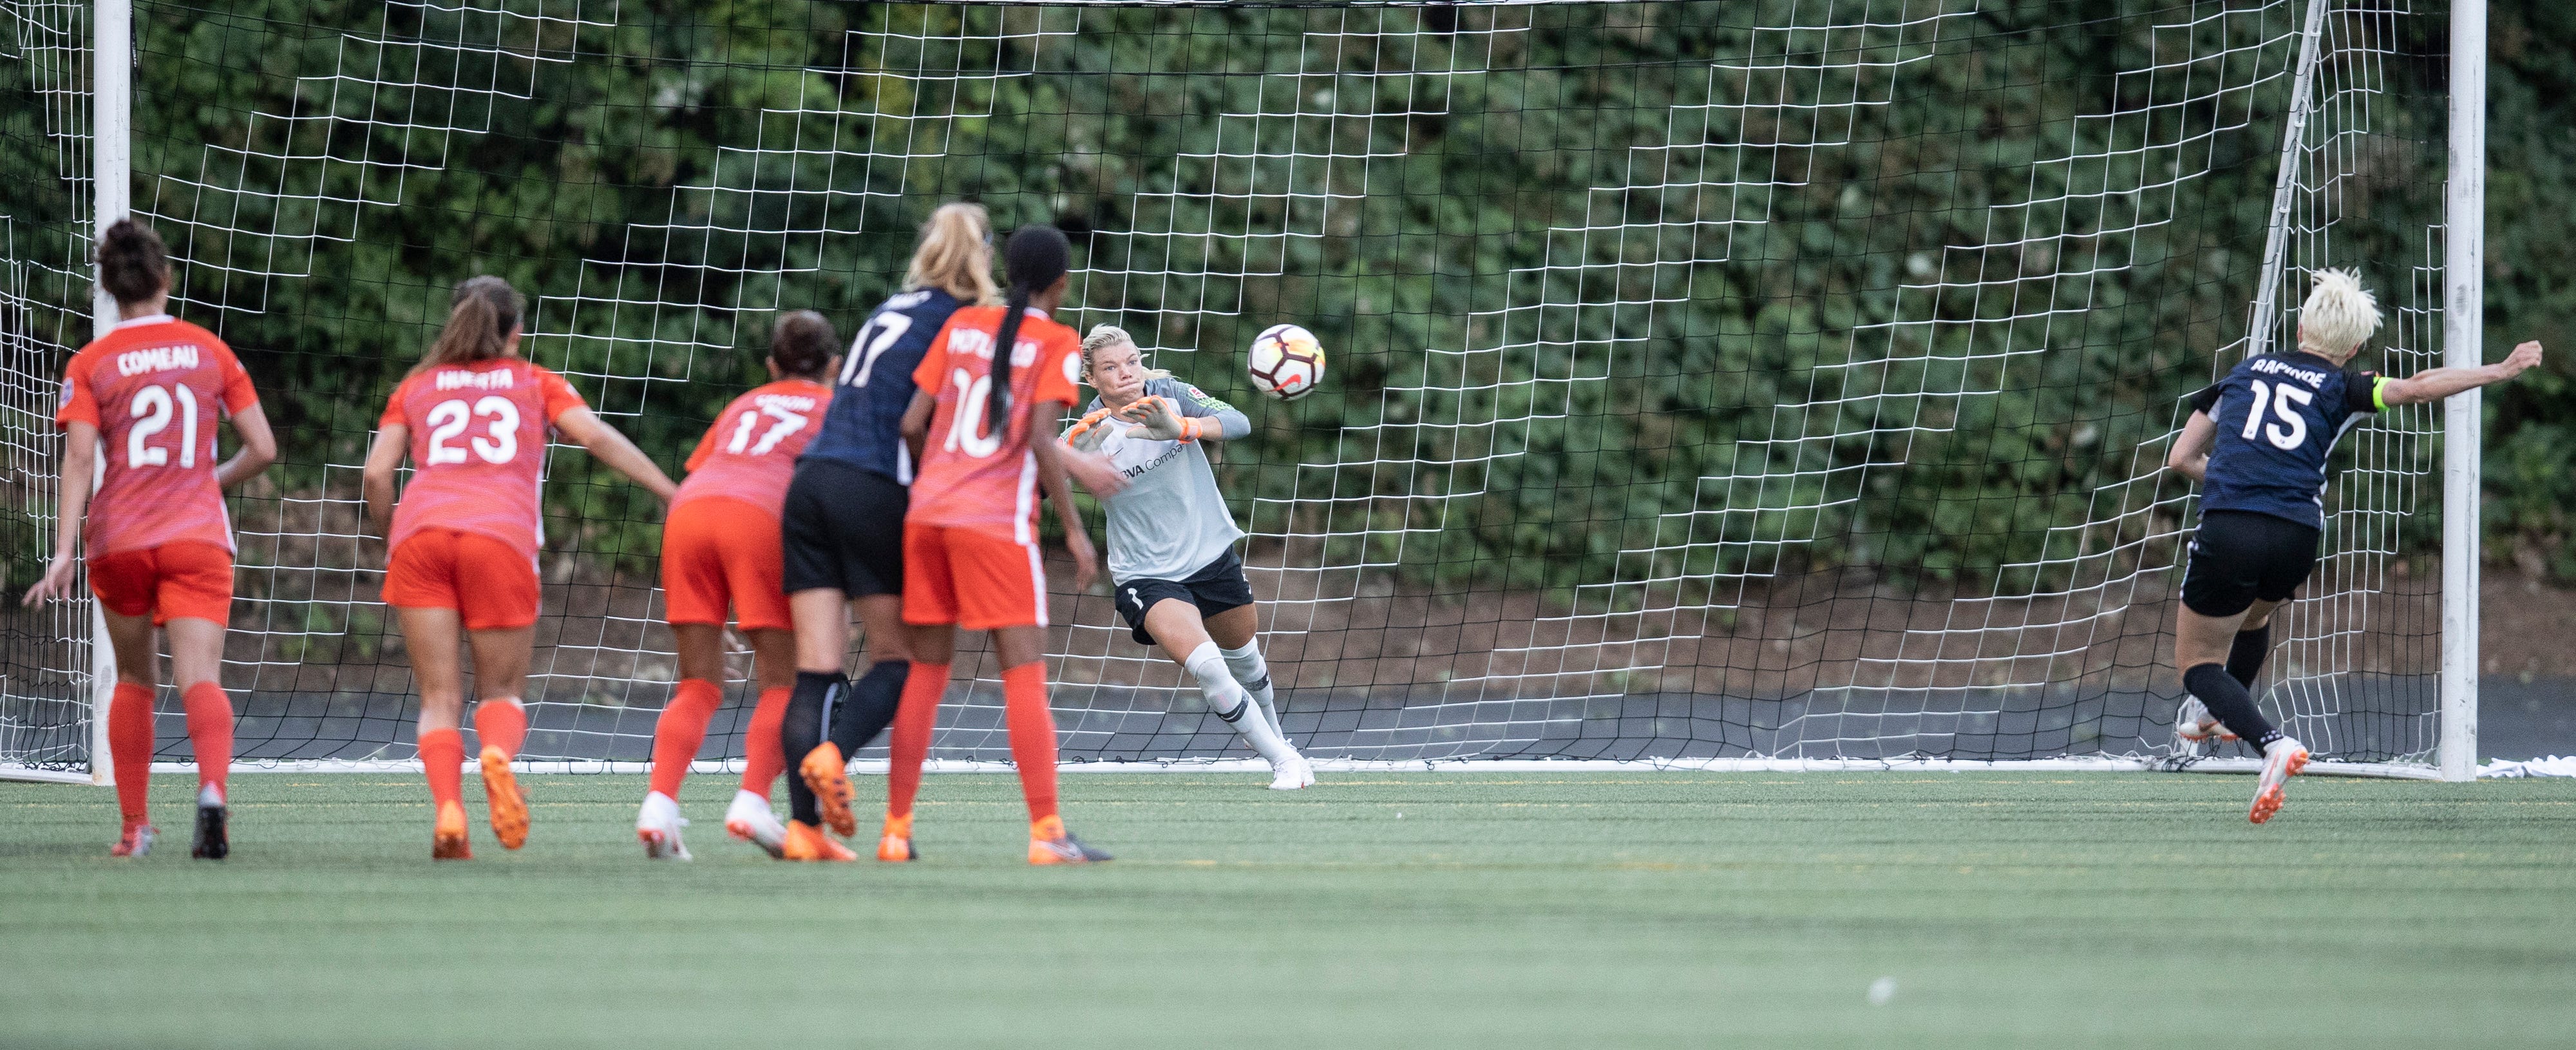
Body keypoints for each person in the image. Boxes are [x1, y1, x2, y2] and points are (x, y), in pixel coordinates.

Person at [2165, 268, 2543, 823]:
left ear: (2299, 327)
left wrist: (2230, 481)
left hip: (2232, 526)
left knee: (2197, 665)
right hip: (2297, 532)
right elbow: (2416, 386)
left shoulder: (2242, 374)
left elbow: (2181, 459)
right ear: (2357, 347)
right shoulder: (2343, 385)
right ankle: (2215, 717)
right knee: (2251, 622)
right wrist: (2501, 369)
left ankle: (2271, 743)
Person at [363, 276, 678, 860]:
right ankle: (497, 758)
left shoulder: (417, 387)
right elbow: (597, 438)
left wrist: (395, 538)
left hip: (422, 537)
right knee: (501, 690)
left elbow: (378, 475)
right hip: (499, 539)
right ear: (516, 332)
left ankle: (450, 814)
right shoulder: (535, 382)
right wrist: (667, 489)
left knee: (438, 696)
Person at [23, 218, 277, 859]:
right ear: (166, 279)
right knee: (203, 678)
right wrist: (208, 479)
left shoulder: (91, 363)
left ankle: (134, 828)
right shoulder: (207, 348)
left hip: (120, 539)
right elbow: (264, 447)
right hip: (194, 533)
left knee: (136, 677)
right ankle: (212, 793)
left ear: (108, 290)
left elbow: (78, 462)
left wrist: (61, 554)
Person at [882, 224, 1127, 865]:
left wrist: (939, 476)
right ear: (1062, 283)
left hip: (926, 516)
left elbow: (911, 422)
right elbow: (1043, 440)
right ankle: (1047, 834)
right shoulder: (1055, 339)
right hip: (993, 524)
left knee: (926, 676)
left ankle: (895, 832)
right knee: (1022, 675)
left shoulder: (961, 324)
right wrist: (1075, 525)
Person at [772, 202, 998, 862]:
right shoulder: (966, 322)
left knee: (816, 667)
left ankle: (801, 828)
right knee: (903, 658)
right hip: (873, 485)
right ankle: (832, 755)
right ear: (982, 254)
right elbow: (934, 422)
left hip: (811, 481)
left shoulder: (889, 309)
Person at [1063, 325, 1312, 789]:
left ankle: (1280, 741)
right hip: (1147, 574)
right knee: (1207, 667)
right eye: (1111, 368)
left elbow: (1239, 422)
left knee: (1246, 661)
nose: (1126, 374)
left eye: (1132, 361)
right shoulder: (1088, 431)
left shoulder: (1172, 395)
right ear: (1092, 379)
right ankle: (1283, 762)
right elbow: (1046, 483)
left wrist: (1183, 428)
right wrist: (1069, 463)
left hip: (1210, 555)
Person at [635, 312, 837, 860]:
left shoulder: (744, 404)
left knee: (698, 683)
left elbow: (712, 468)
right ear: (835, 366)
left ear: (771, 365)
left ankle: (659, 804)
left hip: (690, 512)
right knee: (787, 682)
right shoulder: (834, 407)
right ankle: (751, 801)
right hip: (760, 518)